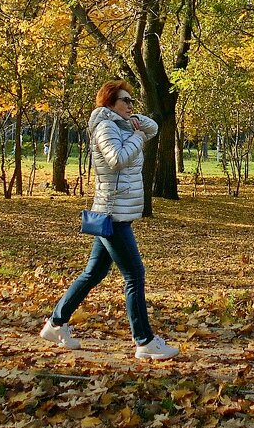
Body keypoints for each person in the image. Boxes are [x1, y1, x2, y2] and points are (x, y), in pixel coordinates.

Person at [40, 80, 180, 360]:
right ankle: (144, 341)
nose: (130, 105)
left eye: (132, 101)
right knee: (135, 275)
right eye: (125, 101)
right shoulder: (106, 128)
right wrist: (137, 137)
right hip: (111, 213)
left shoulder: (122, 125)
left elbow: (153, 127)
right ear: (109, 103)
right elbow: (116, 159)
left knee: (94, 273)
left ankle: (55, 324)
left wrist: (135, 121)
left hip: (116, 212)